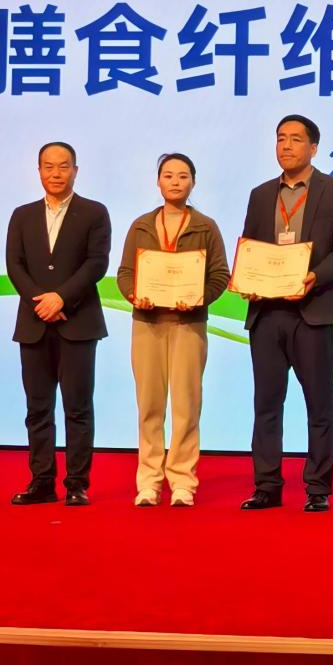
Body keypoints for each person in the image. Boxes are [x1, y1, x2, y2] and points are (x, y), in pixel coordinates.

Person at [238, 115, 333, 512]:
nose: (286, 146)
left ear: (313, 148)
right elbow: (251, 247)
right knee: (266, 405)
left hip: (313, 310)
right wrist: (247, 278)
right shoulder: (260, 194)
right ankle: (267, 486)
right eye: (280, 139)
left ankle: (318, 487)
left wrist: (316, 276)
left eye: (295, 139)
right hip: (267, 313)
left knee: (320, 405)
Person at [116, 153, 229, 508]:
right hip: (147, 324)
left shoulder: (206, 227)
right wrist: (134, 295)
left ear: (193, 182)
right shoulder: (141, 225)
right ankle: (149, 481)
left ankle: (182, 480)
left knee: (186, 405)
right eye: (168, 175)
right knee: (149, 405)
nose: (175, 182)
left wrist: (198, 299)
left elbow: (220, 275)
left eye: (183, 176)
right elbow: (125, 273)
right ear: (158, 181)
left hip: (188, 325)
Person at [5, 142, 111, 507]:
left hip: (78, 322)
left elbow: (96, 263)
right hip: (34, 323)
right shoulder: (22, 215)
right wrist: (42, 302)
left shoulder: (94, 212)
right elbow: (15, 265)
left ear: (75, 171)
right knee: (38, 408)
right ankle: (42, 482)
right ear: (38, 171)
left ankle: (77, 484)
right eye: (48, 167)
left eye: (63, 166)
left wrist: (62, 298)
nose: (56, 173)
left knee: (78, 408)